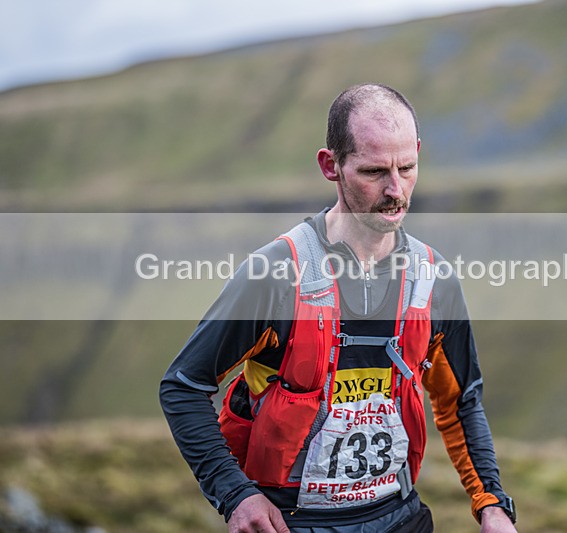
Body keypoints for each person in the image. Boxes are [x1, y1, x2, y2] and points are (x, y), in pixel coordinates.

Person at [159, 83, 517, 533]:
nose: (395, 190)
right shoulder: (275, 274)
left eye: (407, 167)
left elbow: (461, 401)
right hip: (290, 523)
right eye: (373, 172)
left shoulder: (432, 278)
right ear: (331, 166)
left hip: (400, 517)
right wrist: (236, 496)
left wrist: (492, 506)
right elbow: (183, 386)